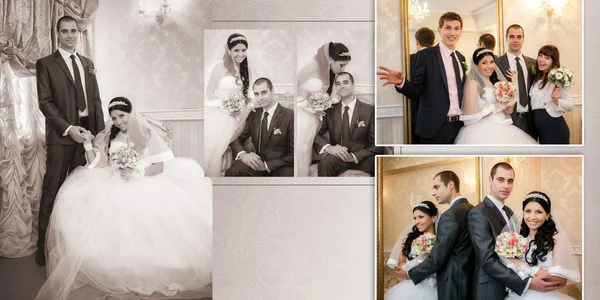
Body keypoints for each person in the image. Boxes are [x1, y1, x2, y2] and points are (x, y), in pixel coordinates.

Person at [34, 97, 213, 300]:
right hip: (114, 181)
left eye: (122, 116)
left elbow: (160, 163)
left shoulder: (146, 133)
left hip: (142, 181)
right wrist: (87, 145)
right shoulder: (110, 136)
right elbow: (97, 163)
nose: (118, 121)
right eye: (114, 118)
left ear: (131, 113)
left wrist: (137, 172)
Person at [35, 16, 105, 266]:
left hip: (87, 136)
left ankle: (76, 246)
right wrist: (68, 128)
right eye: (64, 31)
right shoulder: (45, 63)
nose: (70, 35)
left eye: (73, 31)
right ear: (57, 33)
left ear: (78, 33)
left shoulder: (87, 63)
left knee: (83, 193)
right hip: (62, 136)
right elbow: (45, 102)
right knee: (52, 190)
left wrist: (100, 133)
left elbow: (95, 100)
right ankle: (43, 248)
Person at [467, 162, 564, 300]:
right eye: (501, 180)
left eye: (510, 181)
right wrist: (528, 283)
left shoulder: (510, 213)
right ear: (490, 180)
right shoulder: (478, 213)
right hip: (491, 288)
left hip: (513, 290)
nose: (506, 186)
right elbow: (487, 260)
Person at [378, 12, 467, 144]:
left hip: (459, 126)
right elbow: (416, 91)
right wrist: (402, 83)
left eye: (456, 28)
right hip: (434, 128)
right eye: (448, 28)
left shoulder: (461, 58)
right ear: (439, 30)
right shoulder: (426, 55)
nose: (452, 33)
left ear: (460, 31)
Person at [394, 171, 474, 300]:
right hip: (469, 282)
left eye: (436, 187)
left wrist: (410, 273)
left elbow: (437, 258)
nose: (433, 193)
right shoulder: (471, 209)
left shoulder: (450, 215)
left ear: (450, 185)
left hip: (452, 285)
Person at [504, 191, 581, 300]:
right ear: (523, 213)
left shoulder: (555, 239)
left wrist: (525, 266)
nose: (532, 217)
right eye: (528, 211)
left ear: (547, 215)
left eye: (539, 212)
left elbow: (560, 280)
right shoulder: (518, 238)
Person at [454, 48, 538, 144]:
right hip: (482, 130)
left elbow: (509, 110)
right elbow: (469, 113)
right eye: (484, 63)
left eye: (491, 62)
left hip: (503, 125)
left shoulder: (496, 83)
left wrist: (513, 86)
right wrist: (494, 108)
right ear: (476, 65)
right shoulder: (473, 83)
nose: (489, 66)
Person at [296, 42, 351, 176]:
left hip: (315, 119)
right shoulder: (312, 66)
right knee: (300, 150)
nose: (343, 69)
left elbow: (331, 97)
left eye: (345, 66)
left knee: (306, 150)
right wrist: (310, 108)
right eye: (341, 65)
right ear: (331, 60)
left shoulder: (329, 72)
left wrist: (326, 103)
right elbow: (296, 90)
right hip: (303, 116)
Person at [204, 33, 255, 176]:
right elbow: (209, 94)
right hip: (221, 113)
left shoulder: (247, 69)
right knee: (213, 150)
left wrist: (247, 106)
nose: (241, 54)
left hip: (239, 113)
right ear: (229, 51)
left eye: (243, 50)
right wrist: (226, 106)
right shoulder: (219, 69)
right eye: (236, 50)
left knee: (217, 150)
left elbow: (248, 93)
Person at [313, 72, 383, 176]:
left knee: (376, 164)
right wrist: (329, 147)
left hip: (363, 159)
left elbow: (378, 146)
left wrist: (354, 156)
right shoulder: (329, 110)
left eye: (345, 83)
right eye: (338, 83)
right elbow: (314, 134)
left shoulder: (370, 110)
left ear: (353, 85)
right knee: (325, 163)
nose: (342, 86)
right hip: (338, 158)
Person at [225, 78, 294, 176]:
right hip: (258, 164)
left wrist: (266, 166)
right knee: (232, 172)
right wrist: (243, 154)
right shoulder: (254, 115)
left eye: (264, 92)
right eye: (256, 94)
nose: (260, 98)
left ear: (272, 91)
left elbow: (293, 153)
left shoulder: (290, 115)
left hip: (281, 166)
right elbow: (236, 138)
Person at [384, 201, 439, 300]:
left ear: (433, 218)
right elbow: (401, 262)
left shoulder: (440, 240)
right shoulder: (408, 239)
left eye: (421, 217)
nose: (417, 221)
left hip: (430, 287)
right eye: (415, 218)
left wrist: (411, 272)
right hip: (409, 287)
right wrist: (406, 269)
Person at [495, 25, 538, 139]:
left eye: (519, 37)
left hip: (530, 120)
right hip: (508, 120)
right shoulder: (497, 63)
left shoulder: (533, 63)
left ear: (523, 39)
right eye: (512, 36)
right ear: (506, 38)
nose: (515, 40)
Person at [529, 45, 573, 144]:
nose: (541, 60)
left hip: (554, 128)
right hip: (540, 129)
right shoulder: (536, 78)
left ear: (553, 61)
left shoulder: (558, 79)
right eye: (540, 56)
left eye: (547, 58)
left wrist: (557, 101)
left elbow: (570, 106)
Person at [409, 27, 435, 144]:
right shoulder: (441, 60)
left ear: (417, 42)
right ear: (433, 42)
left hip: (414, 113)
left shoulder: (408, 59)